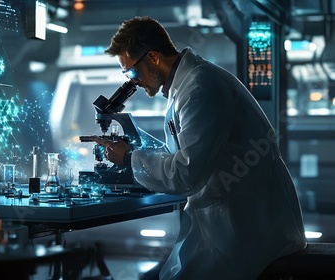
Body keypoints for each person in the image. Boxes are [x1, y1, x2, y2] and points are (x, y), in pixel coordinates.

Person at [92, 16, 307, 280]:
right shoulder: (186, 86)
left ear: (153, 57)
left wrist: (129, 158)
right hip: (229, 222)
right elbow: (181, 155)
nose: (132, 82)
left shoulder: (199, 88)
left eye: (131, 72)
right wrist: (134, 146)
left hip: (249, 229)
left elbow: (185, 174)